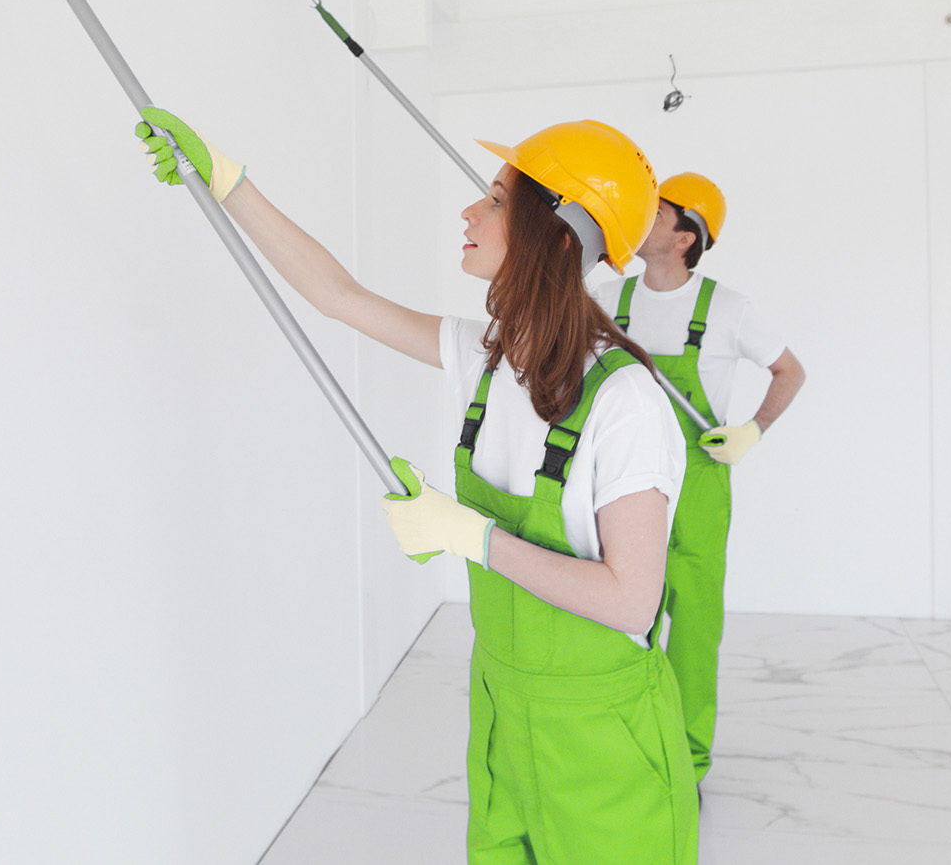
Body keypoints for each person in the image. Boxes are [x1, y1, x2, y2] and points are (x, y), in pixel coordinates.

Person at [135, 111, 698, 864]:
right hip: (502, 707)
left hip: (603, 736)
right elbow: (337, 294)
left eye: (495, 200)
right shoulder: (491, 359)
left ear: (558, 236)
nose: (469, 212)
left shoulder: (626, 403)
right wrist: (225, 180)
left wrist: (467, 534)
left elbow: (632, 597)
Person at [591, 172, 805, 785]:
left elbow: (790, 372)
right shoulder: (609, 299)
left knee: (692, 626)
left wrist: (752, 431)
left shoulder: (728, 309)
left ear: (686, 236)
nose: (641, 218)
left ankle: (685, 764)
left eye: (655, 212)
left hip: (700, 484)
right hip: (626, 476)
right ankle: (626, 744)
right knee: (624, 614)